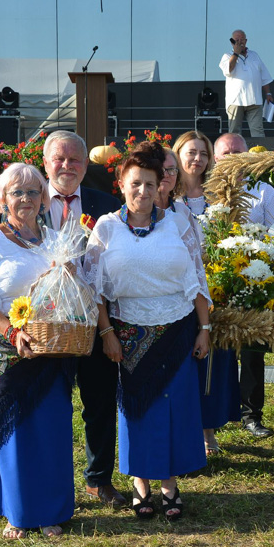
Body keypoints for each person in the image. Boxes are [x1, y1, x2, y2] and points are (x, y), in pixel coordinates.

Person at [84, 150, 211, 521]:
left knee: (173, 408)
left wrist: (204, 329)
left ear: (160, 189)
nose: (142, 190)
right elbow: (95, 290)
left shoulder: (180, 223)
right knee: (138, 411)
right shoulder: (105, 227)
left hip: (178, 329)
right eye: (135, 183)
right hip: (128, 334)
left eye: (150, 184)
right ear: (121, 185)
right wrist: (106, 333)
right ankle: (141, 484)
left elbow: (198, 279)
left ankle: (169, 485)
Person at [0, 163, 74, 539]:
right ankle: (18, 511)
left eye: (33, 192)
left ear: (44, 198)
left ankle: (52, 510)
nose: (25, 198)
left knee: (51, 428)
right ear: (1, 199)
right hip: (4, 349)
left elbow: (75, 292)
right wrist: (11, 332)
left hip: (52, 346)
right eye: (16, 192)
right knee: (14, 430)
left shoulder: (56, 240)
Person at [41, 131, 125, 508]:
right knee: (49, 406)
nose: (67, 166)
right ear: (45, 163)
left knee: (101, 401)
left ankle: (98, 479)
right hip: (44, 325)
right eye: (59, 159)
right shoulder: (29, 202)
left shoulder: (107, 206)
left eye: (75, 159)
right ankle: (49, 480)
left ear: (86, 164)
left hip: (94, 321)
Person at [172, 131, 241, 454]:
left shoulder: (220, 196)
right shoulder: (166, 197)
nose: (197, 158)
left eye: (203, 153)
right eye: (191, 152)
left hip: (215, 288)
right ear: (178, 155)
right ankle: (184, 429)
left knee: (214, 362)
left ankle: (209, 431)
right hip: (176, 290)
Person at [214, 132, 274, 437]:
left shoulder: (264, 191)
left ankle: (251, 414)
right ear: (216, 159)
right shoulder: (206, 191)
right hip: (215, 278)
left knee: (253, 349)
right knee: (218, 349)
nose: (232, 159)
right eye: (226, 153)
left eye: (238, 153)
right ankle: (218, 411)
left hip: (255, 275)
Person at [219, 29, 273, 138]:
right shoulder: (227, 56)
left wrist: (268, 93)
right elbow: (228, 69)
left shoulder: (254, 55)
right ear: (232, 42)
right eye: (236, 40)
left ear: (246, 41)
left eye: (242, 39)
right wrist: (236, 53)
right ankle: (235, 154)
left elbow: (264, 76)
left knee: (258, 131)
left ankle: (260, 155)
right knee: (234, 132)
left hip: (255, 100)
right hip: (235, 101)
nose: (240, 42)